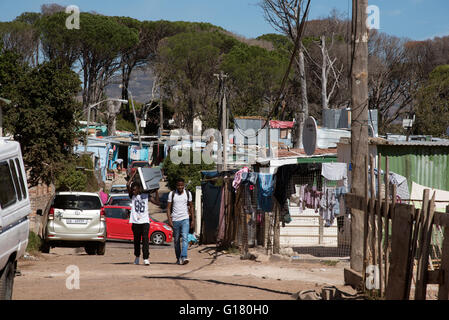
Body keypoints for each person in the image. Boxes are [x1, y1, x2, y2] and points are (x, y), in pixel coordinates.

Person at [126, 170, 159, 266]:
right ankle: (137, 257)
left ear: (139, 189)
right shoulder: (132, 196)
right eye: (132, 190)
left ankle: (146, 258)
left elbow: (157, 203)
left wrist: (156, 191)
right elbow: (128, 184)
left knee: (145, 240)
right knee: (136, 241)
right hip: (135, 222)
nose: (133, 191)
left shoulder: (146, 196)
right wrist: (133, 175)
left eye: (135, 189)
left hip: (145, 222)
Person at [166, 178, 194, 265]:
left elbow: (191, 207)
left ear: (184, 185)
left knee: (185, 238)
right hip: (175, 220)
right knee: (177, 240)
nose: (180, 187)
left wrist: (193, 220)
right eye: (179, 185)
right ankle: (178, 258)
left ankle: (184, 256)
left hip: (185, 219)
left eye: (182, 185)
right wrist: (169, 220)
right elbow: (168, 208)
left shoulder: (188, 194)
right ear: (176, 186)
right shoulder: (172, 194)